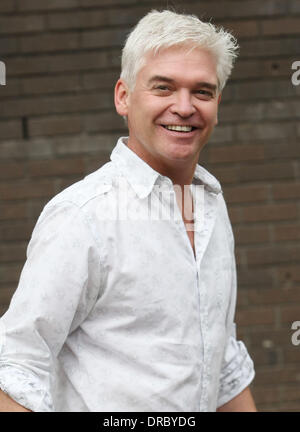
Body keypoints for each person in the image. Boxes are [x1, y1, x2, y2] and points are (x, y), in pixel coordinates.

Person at [0, 9, 256, 412]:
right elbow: (16, 368)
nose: (185, 107)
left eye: (202, 91)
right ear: (123, 96)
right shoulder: (83, 216)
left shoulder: (210, 204)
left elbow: (221, 359)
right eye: (164, 88)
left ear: (217, 104)